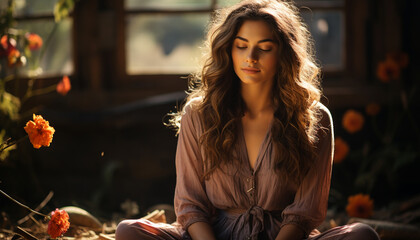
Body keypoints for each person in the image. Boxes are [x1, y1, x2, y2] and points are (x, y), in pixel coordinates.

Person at [116, 0, 380, 239]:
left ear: (285, 54)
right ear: (228, 49)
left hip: (284, 237)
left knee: (362, 235)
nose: (250, 58)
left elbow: (305, 212)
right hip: (213, 236)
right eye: (241, 46)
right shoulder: (198, 114)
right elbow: (191, 205)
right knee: (129, 231)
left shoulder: (314, 118)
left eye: (264, 48)